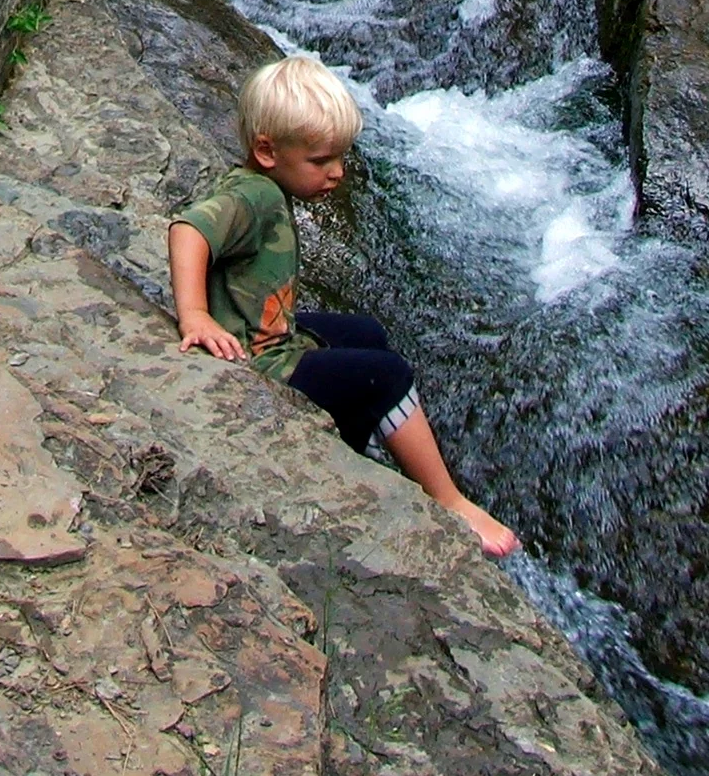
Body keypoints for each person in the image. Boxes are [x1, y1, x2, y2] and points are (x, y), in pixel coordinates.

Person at [167, 49, 519, 559]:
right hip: (258, 359)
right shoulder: (255, 197)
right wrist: (195, 315)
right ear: (267, 151)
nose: (336, 173)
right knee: (386, 372)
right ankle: (449, 500)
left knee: (362, 333)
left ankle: (355, 437)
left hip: (269, 333)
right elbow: (188, 230)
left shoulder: (263, 185)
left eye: (340, 158)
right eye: (320, 161)